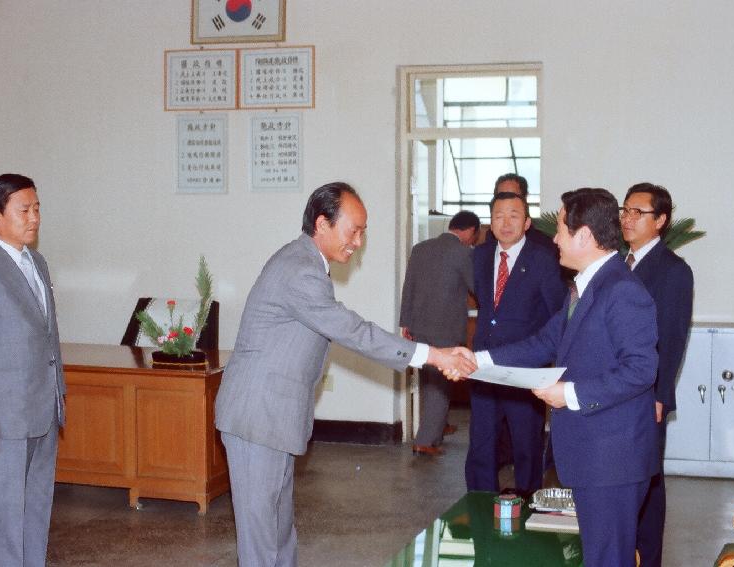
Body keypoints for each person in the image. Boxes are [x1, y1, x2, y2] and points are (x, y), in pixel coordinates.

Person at [214, 181, 475, 567]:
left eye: (363, 232)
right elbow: (353, 331)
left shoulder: (306, 262)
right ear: (322, 224)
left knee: (277, 531)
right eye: (353, 230)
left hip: (269, 418)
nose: (358, 241)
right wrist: (433, 355)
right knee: (263, 540)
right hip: (258, 418)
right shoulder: (300, 270)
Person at [452, 187, 659, 566]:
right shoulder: (586, 285)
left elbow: (641, 370)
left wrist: (571, 394)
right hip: (592, 454)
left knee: (607, 558)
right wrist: (476, 359)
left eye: (561, 230)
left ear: (584, 236)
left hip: (612, 459)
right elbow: (543, 341)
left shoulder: (622, 291)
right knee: (596, 555)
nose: (554, 240)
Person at [0, 173, 66, 567]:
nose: (34, 218)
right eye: (24, 210)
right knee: (5, 517)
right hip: (3, 417)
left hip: (43, 409)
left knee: (36, 509)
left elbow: (48, 336)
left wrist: (58, 396)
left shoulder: (38, 263)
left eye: (37, 209)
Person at [465, 191, 566, 496]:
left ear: (527, 223)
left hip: (525, 371)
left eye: (514, 215)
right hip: (483, 366)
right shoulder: (480, 256)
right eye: (498, 216)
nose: (505, 222)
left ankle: (527, 508)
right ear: (490, 223)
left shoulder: (543, 259)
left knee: (526, 446)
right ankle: (481, 506)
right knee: (481, 443)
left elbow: (556, 314)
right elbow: (488, 308)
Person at [622, 183, 694, 567]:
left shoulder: (673, 271)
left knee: (648, 482)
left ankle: (648, 560)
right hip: (615, 393)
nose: (627, 219)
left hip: (647, 395)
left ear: (661, 220)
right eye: (625, 210)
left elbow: (673, 338)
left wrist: (660, 395)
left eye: (638, 212)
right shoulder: (617, 264)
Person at [400, 210, 480, 456]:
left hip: (419, 324)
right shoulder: (463, 253)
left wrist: (405, 323)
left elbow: (408, 286)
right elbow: (476, 287)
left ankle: (438, 426)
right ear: (470, 232)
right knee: (441, 384)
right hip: (446, 327)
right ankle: (425, 441)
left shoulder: (420, 248)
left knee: (429, 380)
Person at [485, 173, 554, 249]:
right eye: (502, 196)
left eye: (513, 196)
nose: (507, 201)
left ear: (525, 197)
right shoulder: (492, 235)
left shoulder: (544, 238)